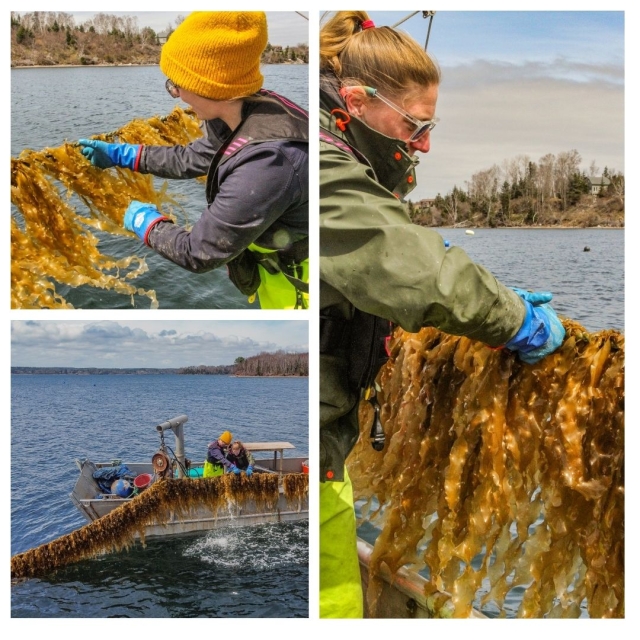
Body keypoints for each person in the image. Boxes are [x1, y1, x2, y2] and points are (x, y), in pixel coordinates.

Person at [318, 11, 565, 618]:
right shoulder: (315, 164)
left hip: (326, 424)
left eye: (432, 127)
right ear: (355, 99)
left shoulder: (339, 145)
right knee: (328, 584)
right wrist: (513, 320)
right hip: (315, 428)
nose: (425, 144)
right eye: (415, 126)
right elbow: (407, 263)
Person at [78, 11, 309, 310]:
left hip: (301, 287)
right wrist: (122, 154)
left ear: (209, 85)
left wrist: (146, 224)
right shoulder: (247, 110)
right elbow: (192, 158)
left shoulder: (268, 162)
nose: (175, 95)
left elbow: (198, 252)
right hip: (273, 267)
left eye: (176, 84)